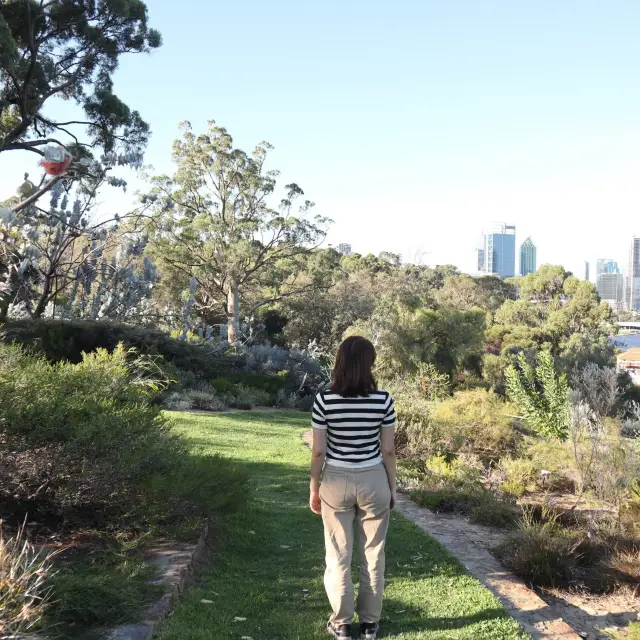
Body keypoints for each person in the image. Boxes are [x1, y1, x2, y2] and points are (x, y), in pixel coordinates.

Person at [309, 335, 396, 640]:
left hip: (335, 480)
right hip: (373, 479)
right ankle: (370, 624)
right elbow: (388, 451)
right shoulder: (383, 400)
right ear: (369, 364)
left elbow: (319, 451)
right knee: (373, 553)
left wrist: (314, 487)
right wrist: (392, 487)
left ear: (340, 363)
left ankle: (342, 623)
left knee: (337, 554)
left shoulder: (324, 400)